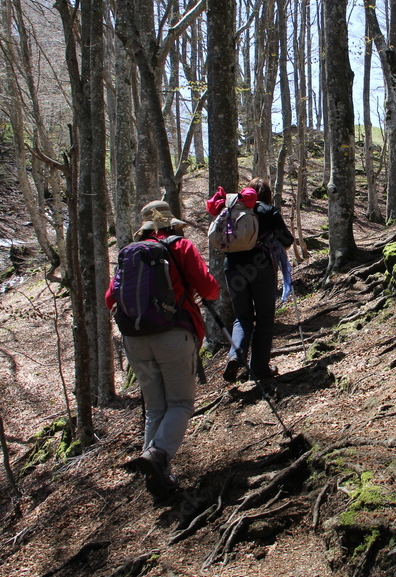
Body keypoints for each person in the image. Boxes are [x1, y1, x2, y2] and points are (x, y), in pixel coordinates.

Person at [105, 200, 220, 503]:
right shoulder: (180, 246)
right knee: (180, 403)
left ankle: (157, 476)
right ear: (170, 223)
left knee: (155, 408)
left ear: (144, 227)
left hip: (135, 339)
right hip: (174, 335)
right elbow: (210, 289)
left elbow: (109, 299)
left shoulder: (130, 253)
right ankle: (158, 455)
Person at [216, 178, 294, 382]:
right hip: (261, 268)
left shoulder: (233, 209)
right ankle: (259, 369)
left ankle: (235, 356)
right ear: (267, 195)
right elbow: (287, 240)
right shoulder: (269, 211)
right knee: (264, 318)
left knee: (242, 317)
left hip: (232, 268)